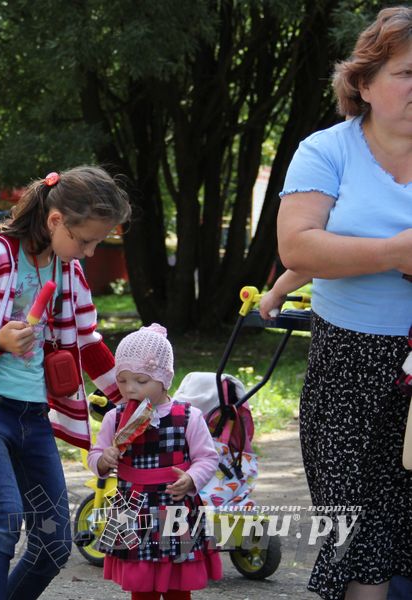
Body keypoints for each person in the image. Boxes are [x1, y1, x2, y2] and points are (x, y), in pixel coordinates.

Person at [0, 166, 131, 599]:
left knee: (54, 543)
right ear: (56, 220)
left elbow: (87, 341)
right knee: (2, 520)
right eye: (86, 241)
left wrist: (127, 399)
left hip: (34, 417)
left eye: (97, 243)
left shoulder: (69, 271)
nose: (90, 252)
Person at [276, 7, 412, 600]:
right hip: (346, 364)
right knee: (353, 526)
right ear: (364, 83)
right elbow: (298, 246)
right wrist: (396, 252)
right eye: (407, 73)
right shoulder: (326, 149)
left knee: (397, 525)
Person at [87, 324, 222, 600]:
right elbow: (95, 454)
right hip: (132, 508)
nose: (130, 389)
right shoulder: (115, 418)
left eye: (141, 380)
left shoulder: (188, 416)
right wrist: (103, 459)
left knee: (178, 585)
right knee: (141, 583)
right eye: (123, 380)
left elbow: (207, 457)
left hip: (175, 507)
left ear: (164, 379)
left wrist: (192, 478)